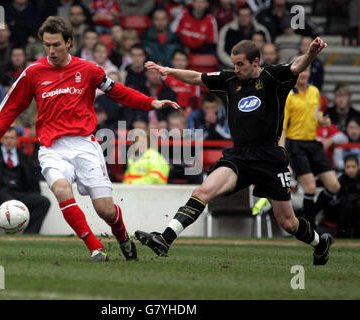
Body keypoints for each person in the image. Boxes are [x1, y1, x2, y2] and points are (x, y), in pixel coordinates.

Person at [0, 16, 179, 262]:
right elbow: (10, 107)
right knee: (62, 189)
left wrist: (151, 102)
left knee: (105, 210)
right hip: (51, 147)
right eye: (47, 45)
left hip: (85, 144)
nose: (51, 51)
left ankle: (123, 238)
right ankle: (95, 248)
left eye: (56, 45)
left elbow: (118, 91)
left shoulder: (89, 70)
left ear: (69, 42)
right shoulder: (33, 72)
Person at [135, 37, 334, 266]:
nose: (236, 68)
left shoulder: (273, 77)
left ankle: (320, 243)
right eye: (234, 63)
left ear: (255, 62)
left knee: (288, 223)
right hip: (239, 156)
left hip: (270, 158)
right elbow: (195, 77)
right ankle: (165, 238)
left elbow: (297, 66)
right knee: (203, 191)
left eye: (240, 64)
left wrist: (311, 53)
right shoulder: (229, 79)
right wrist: (167, 70)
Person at [280, 67, 341, 230]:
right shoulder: (289, 96)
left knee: (334, 186)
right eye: (301, 71)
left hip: (313, 143)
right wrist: (281, 154)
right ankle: (311, 228)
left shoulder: (314, 91)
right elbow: (283, 128)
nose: (304, 74)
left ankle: (308, 216)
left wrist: (323, 121)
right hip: (296, 144)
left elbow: (316, 114)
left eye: (306, 71)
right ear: (295, 73)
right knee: (311, 188)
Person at [0, 127, 50, 234]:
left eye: (12, 137)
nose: (9, 140)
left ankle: (29, 236)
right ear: (1, 139)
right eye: (6, 137)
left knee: (43, 202)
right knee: (10, 203)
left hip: (20, 193)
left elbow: (32, 180)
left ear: (17, 139)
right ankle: (11, 232)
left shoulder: (25, 157)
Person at [218, 4, 271, 68]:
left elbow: (268, 48)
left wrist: (255, 64)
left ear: (251, 16)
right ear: (237, 16)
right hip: (232, 65)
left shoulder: (261, 30)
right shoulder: (227, 30)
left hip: (258, 65)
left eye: (246, 15)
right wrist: (237, 64)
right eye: (241, 15)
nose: (244, 18)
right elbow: (221, 52)